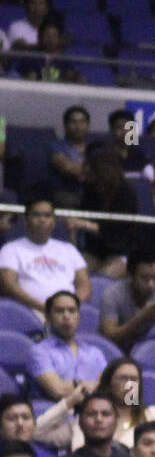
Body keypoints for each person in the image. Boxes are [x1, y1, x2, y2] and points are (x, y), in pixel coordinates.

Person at [69, 357, 155, 457]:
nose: (130, 385)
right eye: (123, 379)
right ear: (108, 383)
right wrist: (69, 402)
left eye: (134, 379)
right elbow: (79, 455)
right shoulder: (93, 417)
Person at [0, 195, 91, 315]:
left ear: (53, 221)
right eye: (36, 215)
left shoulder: (69, 250)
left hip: (68, 314)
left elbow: (84, 285)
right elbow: (9, 286)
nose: (42, 219)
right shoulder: (10, 249)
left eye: (47, 215)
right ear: (26, 220)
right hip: (30, 312)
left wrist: (69, 308)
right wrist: (45, 308)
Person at [26, 289, 106, 400]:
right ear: (48, 317)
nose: (66, 316)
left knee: (131, 379)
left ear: (78, 316)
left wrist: (74, 384)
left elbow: (108, 388)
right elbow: (58, 391)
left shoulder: (95, 352)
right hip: (58, 413)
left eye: (72, 311)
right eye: (59, 311)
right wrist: (90, 385)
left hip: (94, 413)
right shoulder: (39, 352)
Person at [74, 147, 140, 277]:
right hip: (95, 251)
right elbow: (81, 216)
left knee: (104, 278)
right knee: (77, 273)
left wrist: (85, 225)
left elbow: (116, 232)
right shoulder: (90, 190)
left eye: (91, 167)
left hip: (121, 252)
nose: (86, 170)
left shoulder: (125, 192)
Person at [99, 253, 155, 349]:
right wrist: (141, 317)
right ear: (130, 277)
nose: (151, 284)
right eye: (145, 278)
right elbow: (108, 339)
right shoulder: (112, 295)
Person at [49, 105, 92, 209]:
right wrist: (92, 172)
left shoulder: (95, 147)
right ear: (65, 125)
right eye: (73, 122)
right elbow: (67, 168)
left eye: (82, 122)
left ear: (88, 125)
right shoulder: (57, 146)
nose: (78, 126)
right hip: (67, 193)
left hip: (92, 192)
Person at [18, 17, 80, 83]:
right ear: (40, 37)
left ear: (59, 38)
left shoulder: (66, 61)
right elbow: (29, 80)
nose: (50, 40)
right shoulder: (31, 58)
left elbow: (73, 78)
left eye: (54, 36)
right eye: (47, 36)